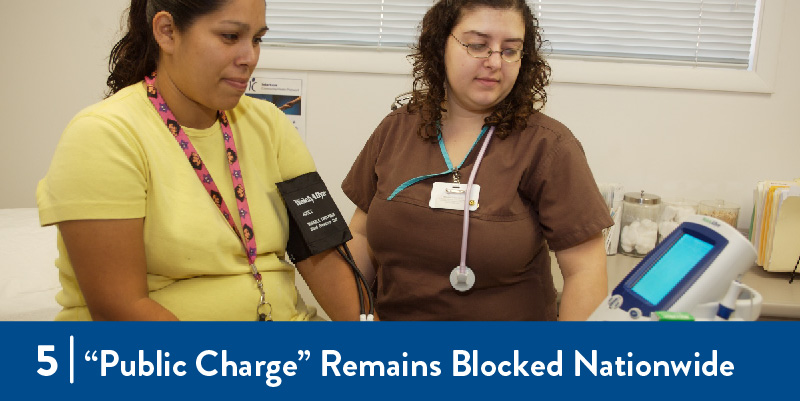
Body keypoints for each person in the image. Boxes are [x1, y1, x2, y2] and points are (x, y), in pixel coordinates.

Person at [36, 0, 361, 321]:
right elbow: (120, 309)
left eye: (257, 39)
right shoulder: (105, 135)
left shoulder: (269, 124)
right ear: (167, 32)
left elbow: (322, 251)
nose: (250, 57)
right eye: (231, 36)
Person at [342, 0, 614, 321]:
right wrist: (355, 323)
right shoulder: (397, 129)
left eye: (510, 50)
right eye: (477, 45)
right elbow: (359, 236)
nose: (495, 62)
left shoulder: (548, 146)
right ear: (440, 43)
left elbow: (586, 270)